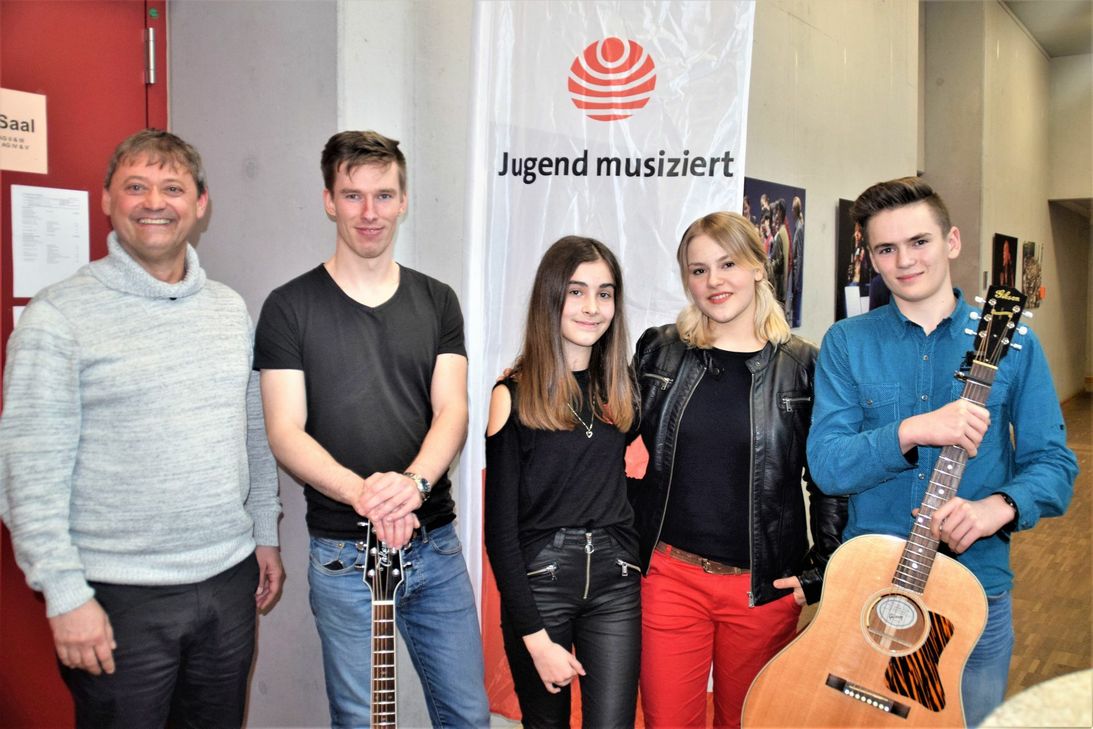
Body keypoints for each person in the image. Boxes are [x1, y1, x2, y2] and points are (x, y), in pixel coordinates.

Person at [0, 129, 284, 728]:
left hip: (227, 584)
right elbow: (28, 472)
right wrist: (65, 595)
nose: (154, 201)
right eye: (136, 186)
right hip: (117, 595)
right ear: (107, 198)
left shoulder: (229, 310)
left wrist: (264, 533)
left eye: (173, 187)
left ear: (200, 204)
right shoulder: (59, 317)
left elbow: (252, 434)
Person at [808, 177, 1078, 728]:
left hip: (972, 593)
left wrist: (993, 509)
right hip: (867, 589)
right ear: (872, 259)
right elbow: (829, 467)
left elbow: (1054, 464)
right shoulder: (846, 342)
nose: (905, 261)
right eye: (886, 249)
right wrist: (913, 429)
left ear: (951, 241)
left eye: (919, 241)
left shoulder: (1013, 344)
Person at [254, 130, 489, 728]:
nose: (369, 212)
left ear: (404, 200)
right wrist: (365, 495)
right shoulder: (288, 307)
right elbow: (285, 431)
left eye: (383, 195)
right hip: (343, 554)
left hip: (433, 546)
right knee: (362, 723)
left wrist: (412, 487)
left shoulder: (438, 302)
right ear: (329, 200)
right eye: (352, 196)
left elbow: (453, 412)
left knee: (467, 717)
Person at [630, 211, 847, 728]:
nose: (713, 281)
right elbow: (609, 423)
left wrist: (822, 570)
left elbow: (828, 478)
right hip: (668, 578)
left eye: (728, 263)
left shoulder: (803, 364)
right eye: (698, 270)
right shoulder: (660, 349)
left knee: (747, 721)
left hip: (762, 586)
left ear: (757, 267)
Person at [485, 236, 641, 728]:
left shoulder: (622, 390)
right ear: (550, 297)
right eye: (576, 292)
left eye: (605, 292)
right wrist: (534, 637)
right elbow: (500, 532)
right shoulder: (513, 396)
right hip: (541, 586)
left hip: (616, 585)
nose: (593, 308)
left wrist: (627, 537)